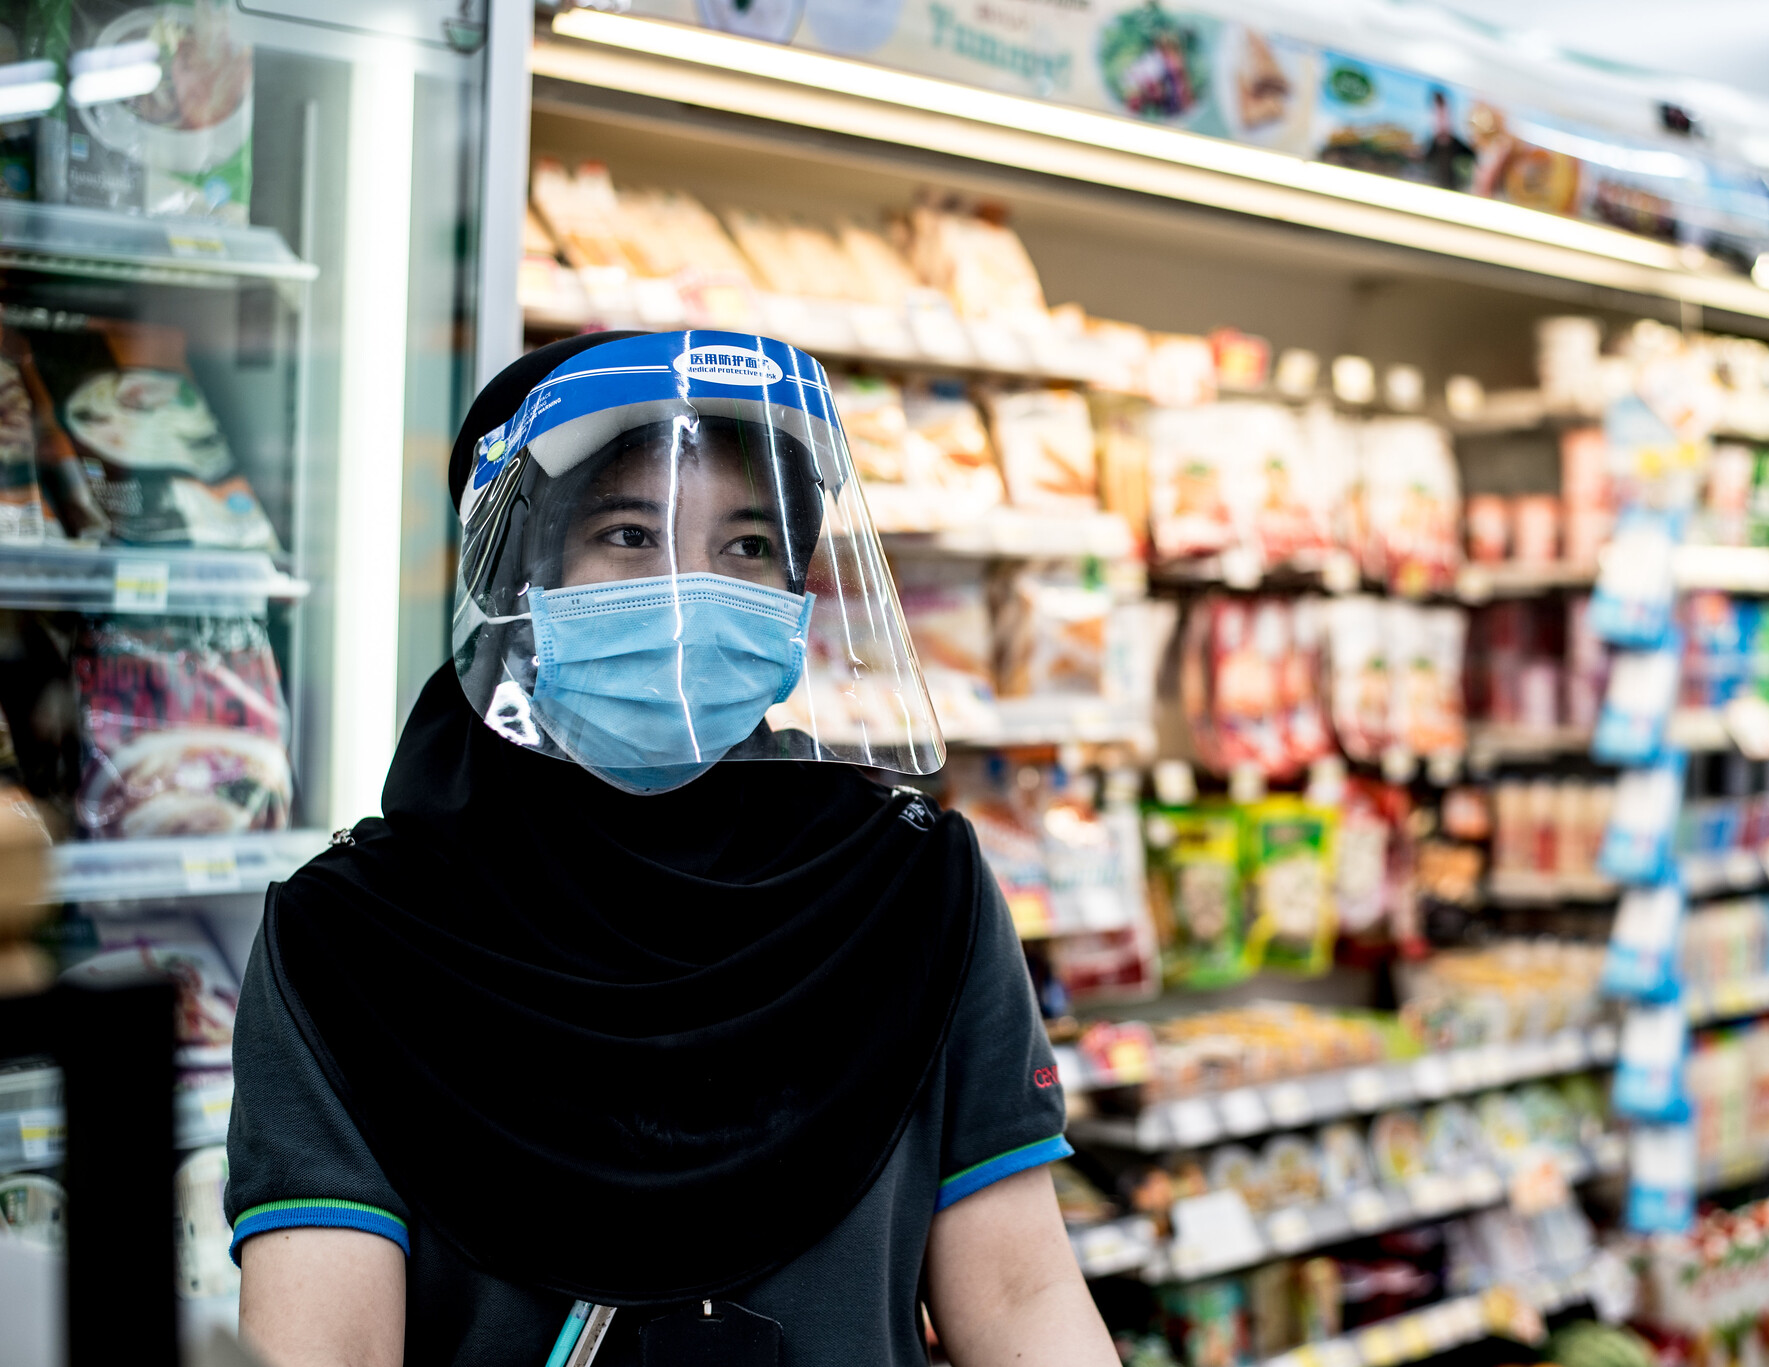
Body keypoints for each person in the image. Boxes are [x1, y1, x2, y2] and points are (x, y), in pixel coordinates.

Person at [225, 331, 1121, 1367]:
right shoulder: (350, 940)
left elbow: (1019, 1298)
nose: (689, 593)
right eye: (624, 532)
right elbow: (322, 1347)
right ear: (526, 579)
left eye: (745, 546)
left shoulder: (916, 893)